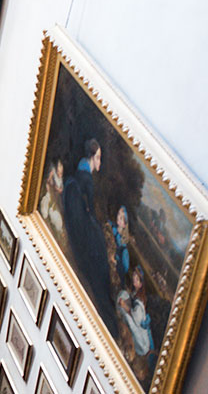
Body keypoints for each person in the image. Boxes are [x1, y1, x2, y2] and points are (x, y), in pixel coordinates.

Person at [62, 138, 117, 335]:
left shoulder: (79, 172)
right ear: (92, 157)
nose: (100, 162)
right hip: (82, 227)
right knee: (99, 255)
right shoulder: (86, 178)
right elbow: (91, 211)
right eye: (99, 158)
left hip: (78, 219)